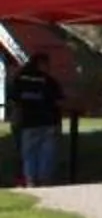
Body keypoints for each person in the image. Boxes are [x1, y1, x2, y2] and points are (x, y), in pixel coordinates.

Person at [9, 55, 64, 187]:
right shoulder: (48, 81)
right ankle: (44, 180)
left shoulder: (20, 80)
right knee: (47, 153)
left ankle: (31, 181)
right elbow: (58, 99)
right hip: (48, 122)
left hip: (28, 122)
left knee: (29, 154)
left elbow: (13, 99)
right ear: (41, 64)